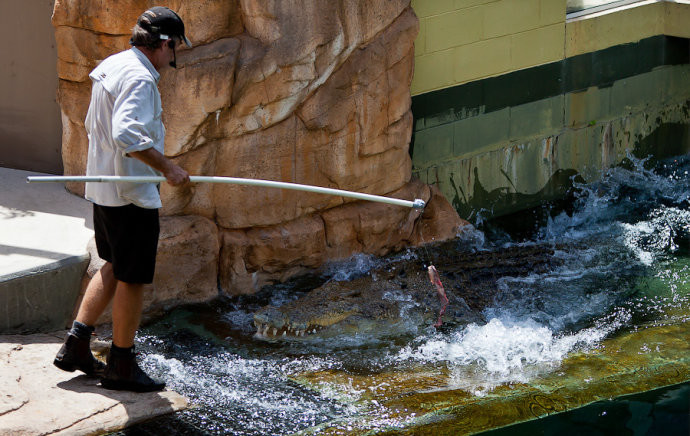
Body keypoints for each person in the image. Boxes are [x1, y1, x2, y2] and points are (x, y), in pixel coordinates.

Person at [53, 6, 192, 392]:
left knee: (114, 264)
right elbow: (127, 134)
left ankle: (76, 345)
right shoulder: (140, 79)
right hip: (130, 193)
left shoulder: (115, 64)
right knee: (132, 277)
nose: (173, 57)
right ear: (165, 43)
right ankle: (122, 365)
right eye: (174, 48)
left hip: (105, 186)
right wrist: (168, 168)